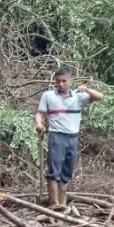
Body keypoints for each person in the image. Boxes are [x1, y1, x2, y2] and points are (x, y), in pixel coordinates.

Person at [34, 65, 102, 209]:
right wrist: (39, 124)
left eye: (64, 81)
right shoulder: (48, 96)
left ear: (70, 81)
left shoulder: (78, 96)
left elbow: (100, 97)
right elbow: (40, 113)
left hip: (73, 137)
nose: (61, 84)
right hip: (56, 136)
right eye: (58, 81)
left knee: (67, 170)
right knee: (54, 170)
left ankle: (62, 203)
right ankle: (54, 204)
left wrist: (87, 89)